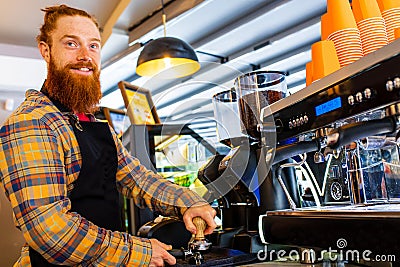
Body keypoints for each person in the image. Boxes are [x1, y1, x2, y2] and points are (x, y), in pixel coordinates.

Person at [0, 4, 216, 267]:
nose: (85, 56)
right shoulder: (31, 122)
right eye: (71, 43)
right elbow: (50, 231)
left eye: (93, 46)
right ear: (46, 51)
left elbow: (137, 178)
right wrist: (139, 251)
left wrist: (188, 202)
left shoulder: (92, 121)